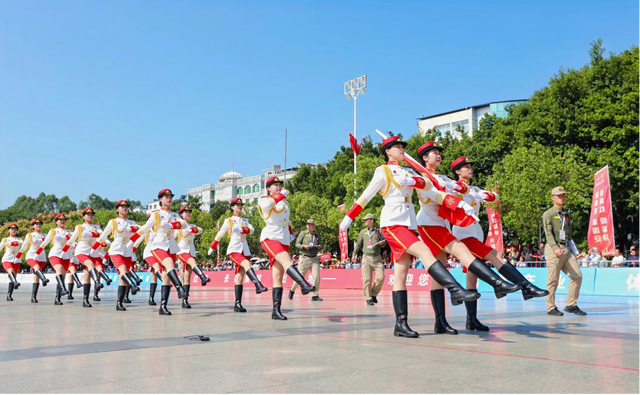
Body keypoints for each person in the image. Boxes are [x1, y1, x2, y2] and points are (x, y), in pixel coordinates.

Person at [340, 135, 480, 338]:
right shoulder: (383, 170)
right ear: (388, 151)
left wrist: (458, 203)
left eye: (402, 147)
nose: (401, 149)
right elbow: (366, 195)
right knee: (423, 251)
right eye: (397, 147)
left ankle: (400, 324)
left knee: (401, 273)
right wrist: (348, 217)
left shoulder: (409, 171)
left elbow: (429, 188)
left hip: (408, 224)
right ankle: (455, 289)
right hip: (392, 224)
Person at [415, 146, 521, 335]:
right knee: (462, 252)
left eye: (440, 153)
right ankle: (496, 283)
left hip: (443, 225)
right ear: (424, 158)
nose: (439, 155)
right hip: (429, 224)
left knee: (438, 276)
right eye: (434, 153)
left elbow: (463, 187)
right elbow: (437, 196)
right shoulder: (422, 178)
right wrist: (458, 200)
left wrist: (462, 188)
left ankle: (441, 322)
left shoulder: (443, 178)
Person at [450, 156, 548, 332]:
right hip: (463, 234)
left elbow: (493, 197)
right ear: (458, 171)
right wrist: (470, 192)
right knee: (495, 256)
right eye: (466, 167)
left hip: (475, 233)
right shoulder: (454, 188)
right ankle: (525, 286)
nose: (470, 169)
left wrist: (480, 194)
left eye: (470, 166)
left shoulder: (474, 189)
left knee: (472, 278)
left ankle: (471, 319)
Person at [257, 176, 316, 320]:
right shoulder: (264, 199)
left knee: (277, 276)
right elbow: (266, 207)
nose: (278, 187)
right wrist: (280, 196)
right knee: (286, 260)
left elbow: (287, 220)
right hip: (270, 237)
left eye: (280, 185)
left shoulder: (284, 201)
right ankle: (304, 284)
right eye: (275, 185)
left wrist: (290, 233)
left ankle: (275, 311)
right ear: (268, 188)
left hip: (283, 239)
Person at [130, 190, 190, 315]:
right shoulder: (156, 215)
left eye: (170, 197)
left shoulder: (174, 215)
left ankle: (163, 306)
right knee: (170, 265)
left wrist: (175, 224)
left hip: (171, 247)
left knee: (165, 277)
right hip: (158, 245)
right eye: (166, 197)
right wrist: (132, 240)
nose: (169, 199)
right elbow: (145, 228)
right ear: (160, 200)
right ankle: (180, 288)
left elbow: (184, 224)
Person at [208, 198, 268, 312]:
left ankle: (238, 304)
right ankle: (258, 285)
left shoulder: (245, 220)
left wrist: (241, 229)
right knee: (246, 264)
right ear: (232, 207)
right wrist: (212, 246)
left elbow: (252, 230)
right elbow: (220, 233)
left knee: (239, 277)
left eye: (241, 205)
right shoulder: (229, 220)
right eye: (237, 205)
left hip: (244, 250)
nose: (239, 207)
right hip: (234, 249)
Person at [543, 186, 586, 316]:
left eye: (563, 195)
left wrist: (575, 251)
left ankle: (571, 304)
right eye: (558, 195)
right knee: (553, 280)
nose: (562, 197)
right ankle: (551, 307)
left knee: (577, 275)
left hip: (566, 249)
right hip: (553, 248)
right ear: (552, 198)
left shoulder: (566, 215)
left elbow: (569, 235)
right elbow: (548, 233)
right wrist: (555, 248)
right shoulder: (548, 214)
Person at [93, 200, 142, 311]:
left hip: (128, 250)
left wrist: (136, 231)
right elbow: (104, 235)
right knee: (124, 271)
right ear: (117, 209)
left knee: (122, 278)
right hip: (116, 249)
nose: (124, 208)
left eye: (126, 207)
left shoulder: (132, 222)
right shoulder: (113, 222)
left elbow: (141, 231)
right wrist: (94, 248)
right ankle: (133, 285)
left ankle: (119, 303)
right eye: (122, 207)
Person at [64, 208, 105, 307]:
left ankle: (85, 299)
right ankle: (96, 283)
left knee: (87, 275)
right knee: (90, 265)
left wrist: (95, 235)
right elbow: (72, 239)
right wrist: (63, 251)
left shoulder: (97, 226)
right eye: (87, 214)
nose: (90, 216)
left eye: (91, 214)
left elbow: (102, 235)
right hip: (82, 250)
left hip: (92, 252)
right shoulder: (80, 227)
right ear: (83, 216)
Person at [176, 206, 211, 308]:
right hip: (182, 250)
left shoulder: (192, 225)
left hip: (191, 250)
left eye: (189, 212)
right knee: (184, 275)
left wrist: (192, 229)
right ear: (181, 214)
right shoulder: (178, 224)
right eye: (185, 212)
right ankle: (202, 276)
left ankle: (185, 300)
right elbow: (172, 236)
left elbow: (200, 230)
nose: (188, 214)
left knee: (187, 277)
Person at [38, 214, 75, 304]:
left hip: (66, 255)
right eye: (60, 219)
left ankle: (57, 298)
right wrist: (37, 253)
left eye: (64, 219)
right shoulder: (53, 231)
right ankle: (63, 288)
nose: (62, 221)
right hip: (55, 254)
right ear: (56, 221)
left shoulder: (69, 231)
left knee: (62, 276)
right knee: (59, 270)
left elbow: (73, 242)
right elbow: (45, 242)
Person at [352, 213, 386, 306]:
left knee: (381, 277)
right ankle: (368, 298)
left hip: (377, 258)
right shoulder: (363, 232)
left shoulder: (378, 231)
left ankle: (373, 293)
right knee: (367, 279)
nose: (364, 221)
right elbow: (358, 244)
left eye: (366, 220)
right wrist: (354, 254)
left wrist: (382, 243)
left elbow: (384, 244)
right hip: (366, 257)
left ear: (372, 220)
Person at [17, 219, 50, 303]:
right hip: (31, 255)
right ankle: (43, 278)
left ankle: (33, 297)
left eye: (40, 224)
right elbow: (24, 246)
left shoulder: (45, 235)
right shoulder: (30, 235)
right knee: (36, 267)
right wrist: (18, 256)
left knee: (36, 277)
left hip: (41, 257)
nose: (38, 225)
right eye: (36, 224)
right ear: (33, 226)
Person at [290, 219, 323, 301]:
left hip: (314, 258)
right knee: (299, 276)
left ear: (313, 226)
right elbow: (297, 244)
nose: (309, 226)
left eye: (310, 224)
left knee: (316, 277)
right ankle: (292, 290)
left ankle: (315, 295)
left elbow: (320, 244)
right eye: (308, 224)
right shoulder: (303, 234)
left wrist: (319, 247)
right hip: (304, 257)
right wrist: (303, 246)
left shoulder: (316, 235)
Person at [1, 223, 23, 301]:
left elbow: (21, 244)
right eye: (11, 229)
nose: (13, 230)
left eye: (15, 229)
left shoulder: (19, 239)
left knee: (12, 278)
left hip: (16, 260)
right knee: (10, 272)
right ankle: (16, 282)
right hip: (7, 259)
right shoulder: (5, 239)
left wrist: (11, 243)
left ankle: (9, 295)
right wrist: (8, 243)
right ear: (8, 230)